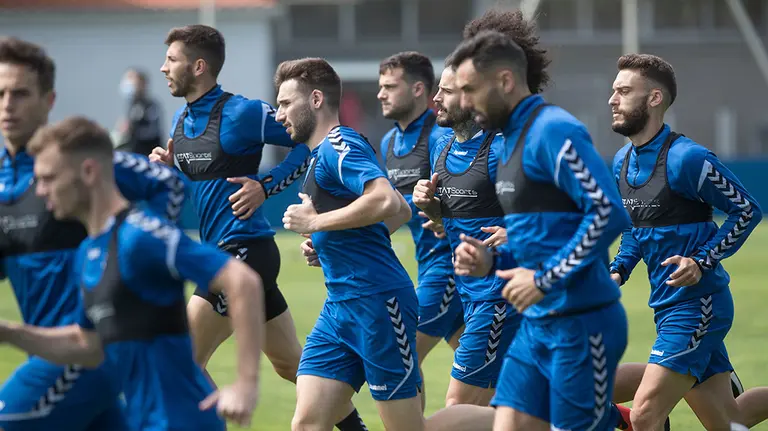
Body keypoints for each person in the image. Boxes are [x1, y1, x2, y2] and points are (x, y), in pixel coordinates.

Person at [149, 25, 367, 430]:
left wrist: (265, 187)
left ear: (199, 66)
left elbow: (306, 142)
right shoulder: (181, 119)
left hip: (242, 252)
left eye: (172, 60)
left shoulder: (242, 112)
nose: (163, 68)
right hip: (223, 254)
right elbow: (201, 186)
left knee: (179, 359)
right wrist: (169, 171)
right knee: (293, 366)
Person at [0, 116, 265, 429]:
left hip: (182, 421)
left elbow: (241, 280)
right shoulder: (88, 253)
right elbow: (87, 346)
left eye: (49, 179)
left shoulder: (140, 235)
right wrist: (9, 332)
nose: (40, 192)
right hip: (143, 421)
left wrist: (246, 384)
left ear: (87, 172)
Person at [0, 36, 188, 431]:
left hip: (89, 351)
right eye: (0, 93)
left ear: (49, 100)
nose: (7, 105)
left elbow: (167, 184)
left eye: (20, 94)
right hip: (49, 349)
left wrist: (135, 255)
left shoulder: (77, 163)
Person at [450, 30, 631, 430]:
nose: (463, 102)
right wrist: (491, 259)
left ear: (505, 81)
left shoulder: (553, 130)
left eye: (469, 89)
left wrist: (546, 279)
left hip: (583, 326)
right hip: (537, 325)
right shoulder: (507, 141)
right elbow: (541, 238)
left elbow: (608, 211)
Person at [607, 53, 763, 430]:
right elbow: (633, 227)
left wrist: (701, 261)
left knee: (645, 414)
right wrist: (619, 268)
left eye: (625, 91)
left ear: (655, 98)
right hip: (666, 306)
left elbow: (747, 210)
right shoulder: (621, 162)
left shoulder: (688, 159)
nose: (613, 99)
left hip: (700, 306)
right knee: (730, 421)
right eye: (613, 91)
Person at [276, 57, 423, 431]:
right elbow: (401, 212)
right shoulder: (316, 159)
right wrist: (327, 240)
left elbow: (388, 201)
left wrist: (316, 222)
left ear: (315, 100)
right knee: (307, 423)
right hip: (340, 307)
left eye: (285, 103)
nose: (279, 115)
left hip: (379, 302)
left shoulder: (339, 143)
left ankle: (522, 421)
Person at [412, 59, 519, 407]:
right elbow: (448, 225)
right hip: (469, 295)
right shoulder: (441, 144)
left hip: (500, 299)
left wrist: (515, 232)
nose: (435, 98)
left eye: (445, 91)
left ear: (471, 98)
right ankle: (620, 418)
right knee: (517, 403)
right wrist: (430, 206)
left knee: (457, 409)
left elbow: (561, 212)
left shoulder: (503, 149)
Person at [377, 51, 463, 407]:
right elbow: (393, 208)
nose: (380, 94)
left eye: (390, 86)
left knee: (402, 349)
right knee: (501, 377)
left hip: (451, 266)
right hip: (426, 264)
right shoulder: (387, 143)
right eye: (380, 86)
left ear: (418, 89)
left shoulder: (440, 135)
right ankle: (610, 415)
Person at [114, 67, 164, 157]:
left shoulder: (150, 105)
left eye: (131, 78)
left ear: (142, 84)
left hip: (149, 157)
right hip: (134, 154)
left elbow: (152, 132)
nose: (128, 82)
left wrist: (131, 130)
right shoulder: (132, 104)